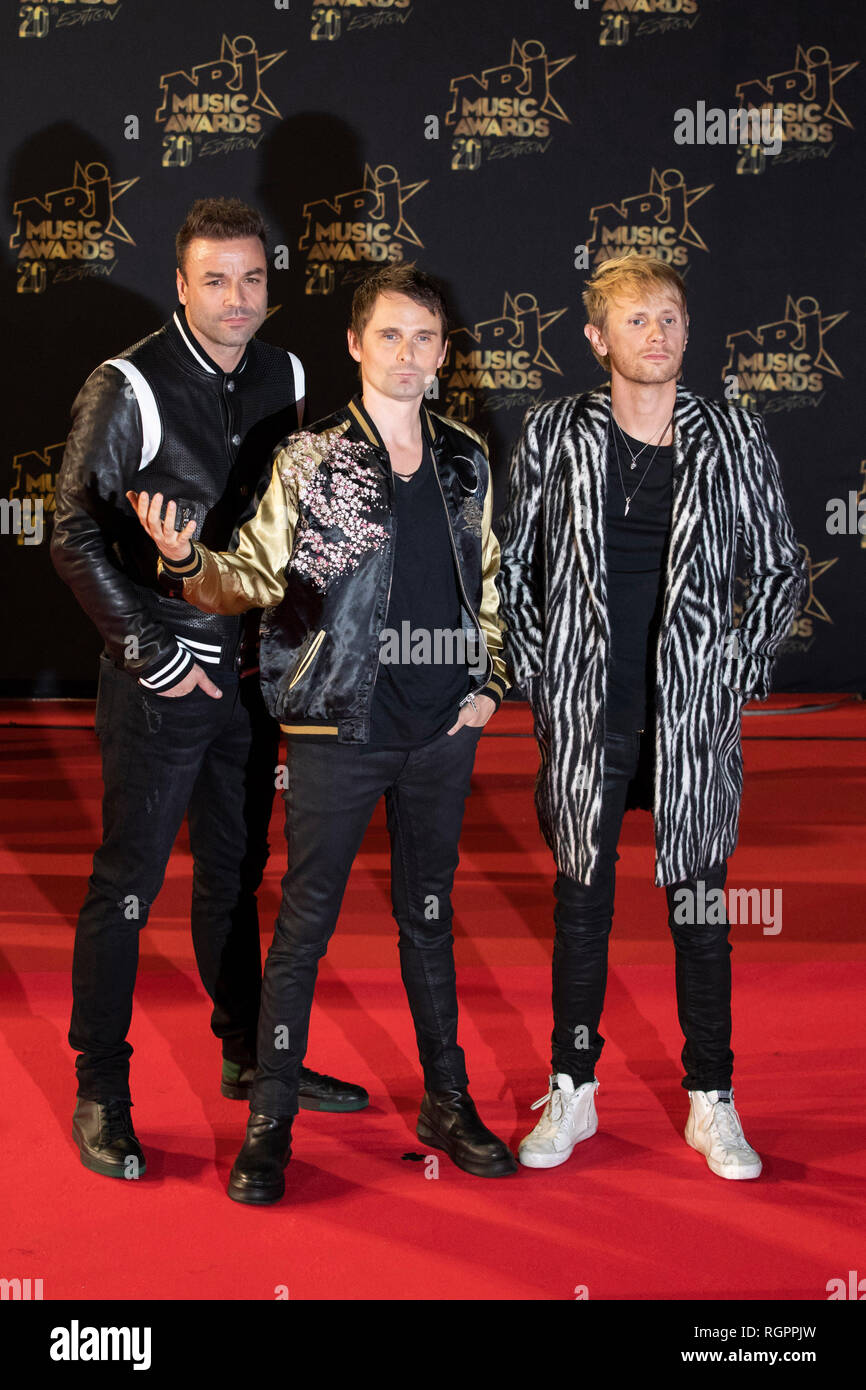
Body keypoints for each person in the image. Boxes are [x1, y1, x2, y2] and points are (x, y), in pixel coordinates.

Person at [128, 261, 518, 1204]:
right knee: (302, 934)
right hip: (338, 730)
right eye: (390, 335)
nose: (409, 354)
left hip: (441, 733)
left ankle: (447, 1100)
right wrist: (186, 560)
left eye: (425, 337)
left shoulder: (466, 456)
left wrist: (489, 685)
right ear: (354, 345)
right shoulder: (309, 458)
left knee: (429, 923)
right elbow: (251, 577)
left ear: (443, 350)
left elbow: (494, 583)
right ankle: (270, 1125)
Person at [51, 197, 366, 1182]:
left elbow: (292, 526)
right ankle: (101, 1084)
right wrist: (150, 647)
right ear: (180, 283)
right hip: (158, 680)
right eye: (214, 279)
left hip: (249, 677)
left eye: (252, 278)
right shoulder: (127, 386)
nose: (237, 299)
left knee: (235, 880)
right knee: (128, 888)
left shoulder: (291, 373)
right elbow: (69, 533)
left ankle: (246, 1053)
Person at [497, 252, 805, 1180]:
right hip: (590, 718)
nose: (658, 335)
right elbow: (515, 575)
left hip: (693, 724)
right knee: (581, 905)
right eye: (637, 321)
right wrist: (547, 686)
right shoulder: (553, 432)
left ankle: (712, 1097)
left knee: (701, 910)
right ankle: (574, 1086)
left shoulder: (733, 435)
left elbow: (784, 569)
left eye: (669, 318)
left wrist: (728, 673)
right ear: (597, 339)